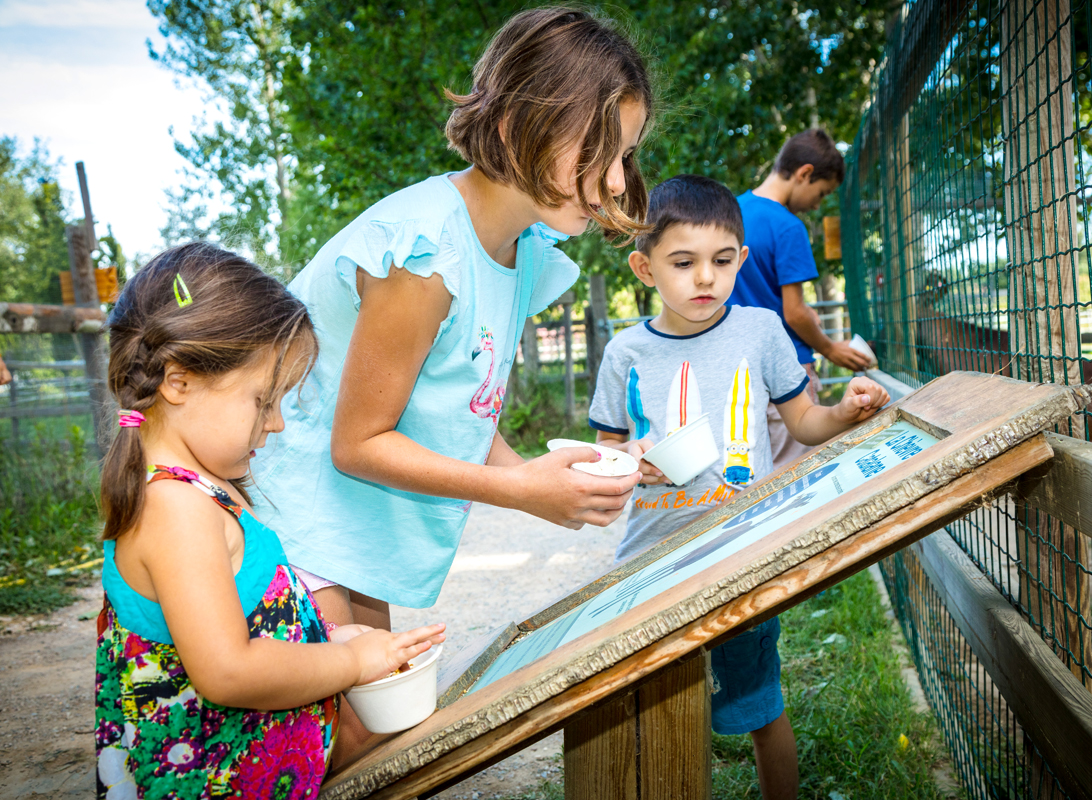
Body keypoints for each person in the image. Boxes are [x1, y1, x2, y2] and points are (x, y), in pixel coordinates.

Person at [250, 6, 651, 634]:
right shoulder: (427, 253)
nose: (620, 179)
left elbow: (454, 407)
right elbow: (359, 444)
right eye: (601, 150)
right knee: (352, 727)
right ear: (526, 122)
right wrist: (520, 492)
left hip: (338, 520)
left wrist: (535, 477)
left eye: (626, 154)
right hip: (290, 512)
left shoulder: (521, 249)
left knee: (366, 721)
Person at [94, 243, 446, 797]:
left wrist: (325, 633)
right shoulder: (175, 508)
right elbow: (227, 669)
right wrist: (349, 659)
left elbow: (238, 621)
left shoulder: (207, 488)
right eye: (265, 402)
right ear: (178, 382)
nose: (277, 424)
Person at [588, 175, 888, 800]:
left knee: (758, 701)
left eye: (722, 262)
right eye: (684, 263)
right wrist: (628, 458)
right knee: (649, 704)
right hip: (650, 558)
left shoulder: (759, 330)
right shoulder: (625, 353)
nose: (706, 278)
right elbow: (607, 449)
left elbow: (805, 421)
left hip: (740, 552)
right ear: (644, 268)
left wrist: (846, 411)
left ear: (742, 260)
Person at [730, 128, 871, 469]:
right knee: (791, 473)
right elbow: (793, 313)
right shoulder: (789, 226)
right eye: (821, 193)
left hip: (734, 366)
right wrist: (831, 348)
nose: (818, 204)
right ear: (805, 173)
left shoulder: (729, 212)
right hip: (785, 367)